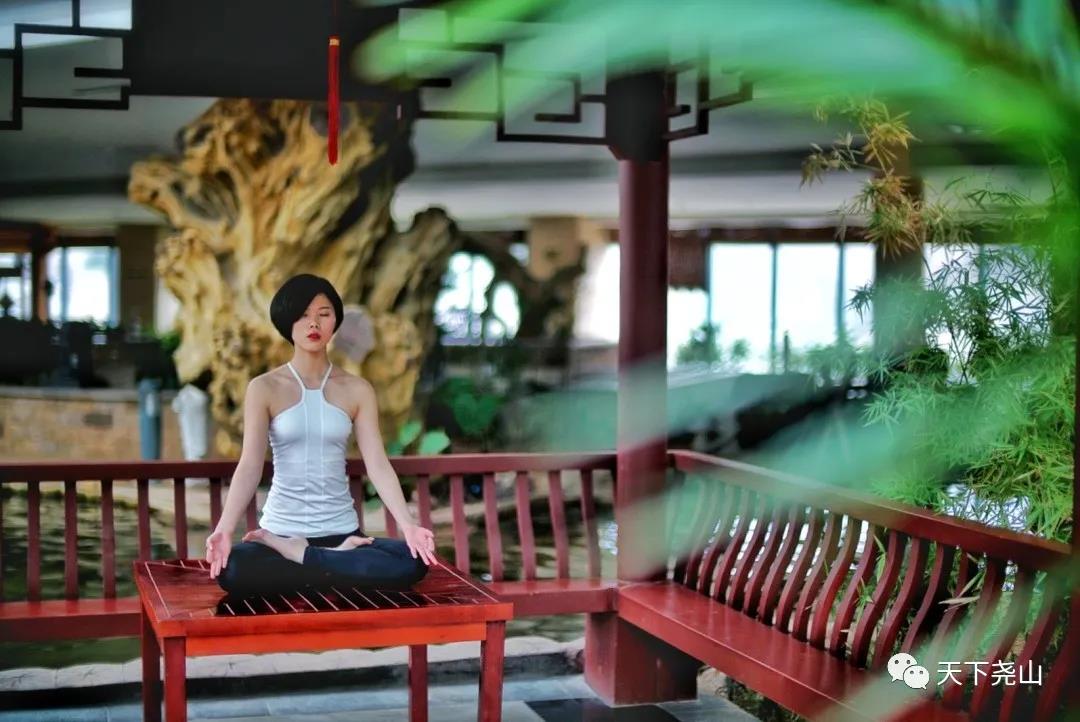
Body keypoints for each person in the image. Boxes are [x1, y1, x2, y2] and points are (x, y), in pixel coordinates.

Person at [205, 274, 435, 597]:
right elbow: (250, 466)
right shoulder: (264, 388)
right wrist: (224, 529)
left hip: (343, 534)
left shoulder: (357, 389)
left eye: (323, 314)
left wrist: (408, 525)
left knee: (413, 561)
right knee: (233, 570)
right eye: (302, 315)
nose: (313, 323)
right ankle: (326, 562)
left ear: (335, 321)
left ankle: (306, 558)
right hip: (280, 533)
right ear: (287, 322)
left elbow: (378, 464)